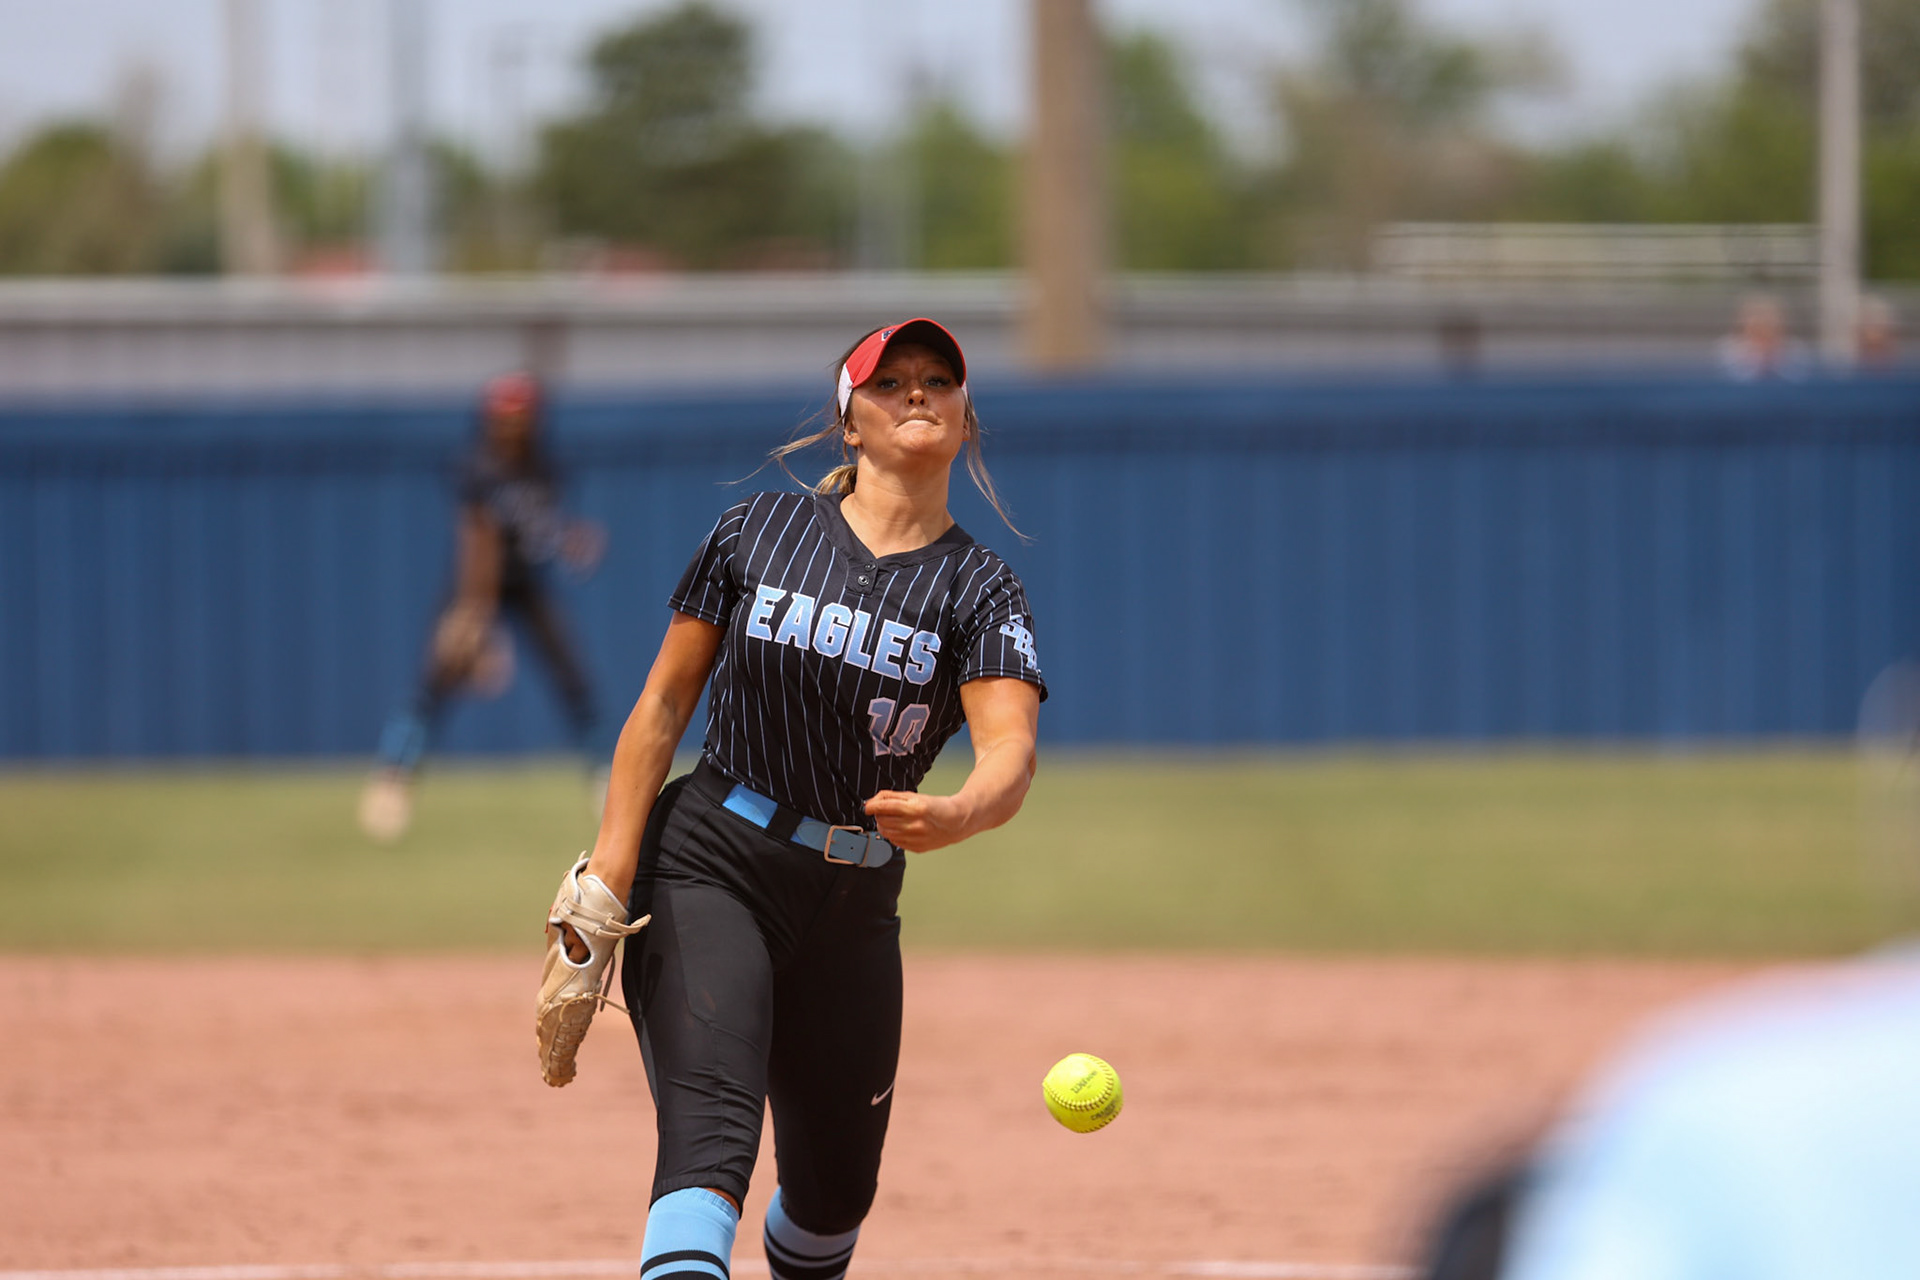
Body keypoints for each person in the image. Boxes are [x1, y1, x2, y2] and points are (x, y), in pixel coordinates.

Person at [535, 318, 1046, 1280]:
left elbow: (1009, 748)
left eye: (940, 379)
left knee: (831, 1198)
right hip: (710, 861)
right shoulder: (758, 530)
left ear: (968, 417)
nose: (919, 394)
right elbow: (663, 705)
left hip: (854, 903)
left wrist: (961, 811)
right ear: (849, 420)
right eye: (891, 382)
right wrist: (610, 868)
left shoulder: (981, 588)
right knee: (711, 1144)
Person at [359, 371, 607, 842]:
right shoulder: (478, 467)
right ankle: (392, 780)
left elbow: (536, 529)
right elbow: (479, 543)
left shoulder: (543, 466)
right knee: (436, 682)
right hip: (475, 584)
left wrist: (567, 539)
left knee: (574, 680)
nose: (512, 426)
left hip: (527, 584)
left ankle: (603, 779)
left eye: (520, 417)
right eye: (504, 417)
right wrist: (476, 616)